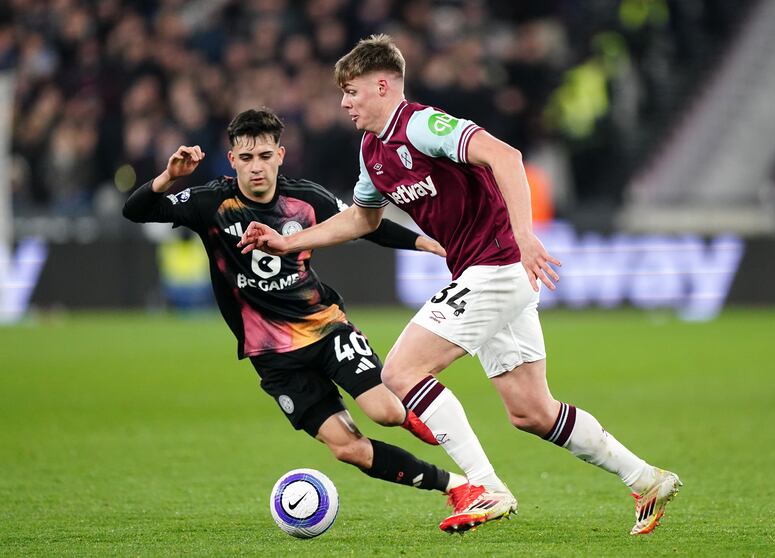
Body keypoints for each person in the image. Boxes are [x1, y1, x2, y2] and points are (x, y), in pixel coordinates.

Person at [238, 35, 681, 535]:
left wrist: (525, 237)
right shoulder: (371, 150)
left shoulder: (423, 124)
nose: (344, 102)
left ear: (382, 85)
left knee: (401, 374)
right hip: (485, 272)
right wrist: (285, 243)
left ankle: (486, 487)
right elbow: (361, 220)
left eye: (351, 91)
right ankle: (645, 477)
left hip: (497, 266)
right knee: (532, 412)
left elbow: (507, 157)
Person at [122, 108, 470, 506]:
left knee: (386, 412)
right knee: (347, 448)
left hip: (323, 328)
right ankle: (456, 486)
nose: (257, 168)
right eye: (247, 158)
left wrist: (424, 242)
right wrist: (169, 177)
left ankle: (422, 421)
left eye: (265, 156)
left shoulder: (306, 199)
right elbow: (135, 211)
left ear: (281, 156)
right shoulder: (210, 202)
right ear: (232, 159)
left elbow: (364, 224)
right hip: (270, 354)